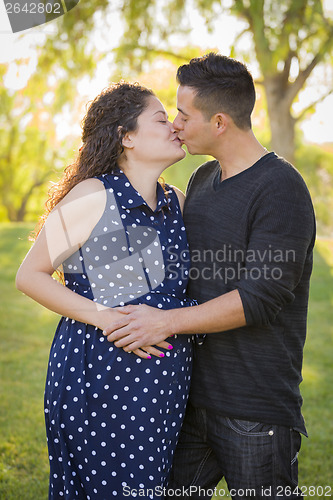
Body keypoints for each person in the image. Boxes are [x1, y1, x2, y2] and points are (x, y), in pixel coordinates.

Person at [103, 54, 316, 499]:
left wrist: (165, 322)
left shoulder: (280, 188)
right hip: (192, 399)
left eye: (183, 114)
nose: (175, 124)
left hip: (254, 409)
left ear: (219, 122)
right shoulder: (201, 180)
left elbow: (259, 296)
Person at [15, 82, 196, 499]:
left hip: (164, 384)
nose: (175, 127)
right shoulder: (93, 194)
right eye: (162, 118)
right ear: (126, 136)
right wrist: (106, 317)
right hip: (97, 375)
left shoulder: (179, 203)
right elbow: (31, 275)